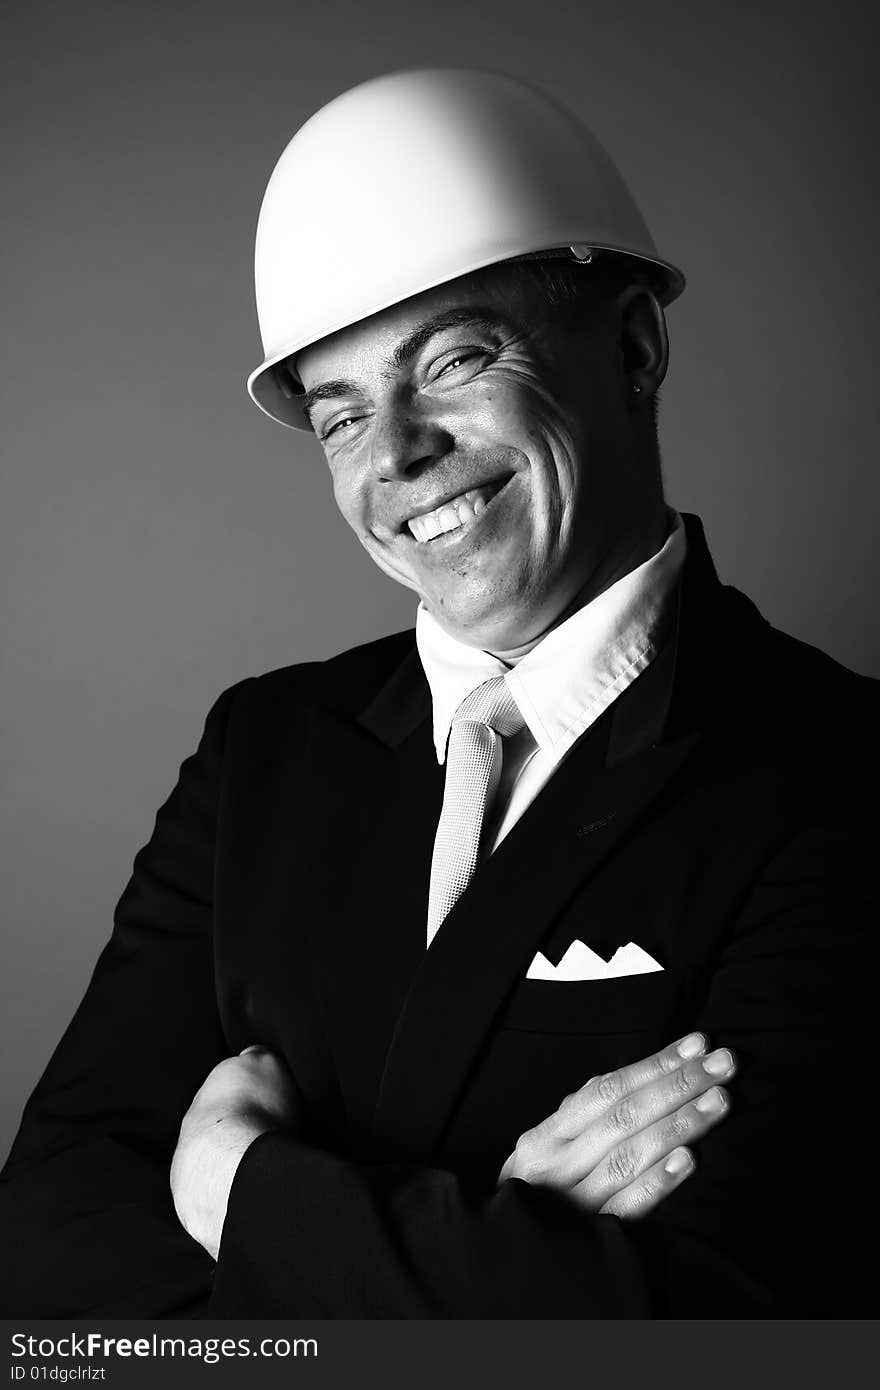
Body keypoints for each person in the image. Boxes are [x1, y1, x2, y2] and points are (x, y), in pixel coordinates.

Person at [1, 68, 877, 1319]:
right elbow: (49, 1251)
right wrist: (496, 1244)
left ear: (632, 347)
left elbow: (722, 1322)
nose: (398, 453)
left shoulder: (843, 775)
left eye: (455, 358)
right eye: (342, 416)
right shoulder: (262, 751)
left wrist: (234, 1187)